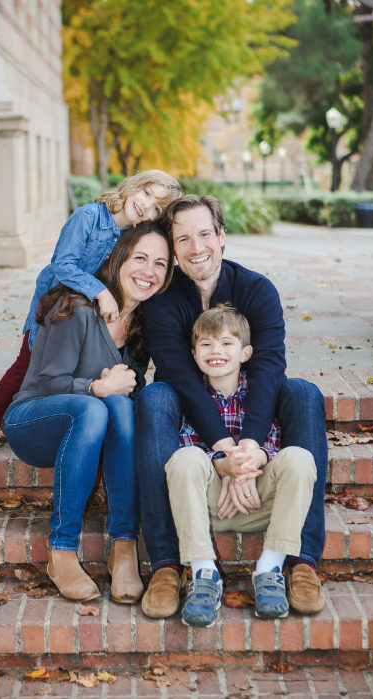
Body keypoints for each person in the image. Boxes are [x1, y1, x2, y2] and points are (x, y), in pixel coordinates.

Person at [136, 194, 327, 619]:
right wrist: (223, 450)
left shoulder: (256, 289)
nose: (196, 246)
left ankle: (302, 563)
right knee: (154, 396)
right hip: (197, 433)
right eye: (182, 238)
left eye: (204, 234)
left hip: (253, 430)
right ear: (172, 245)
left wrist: (252, 448)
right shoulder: (164, 301)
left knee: (303, 392)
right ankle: (168, 564)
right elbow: (180, 376)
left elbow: (268, 369)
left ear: (221, 237)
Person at [4, 222, 174, 603]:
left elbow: (127, 392)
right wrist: (97, 388)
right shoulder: (76, 306)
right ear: (119, 259)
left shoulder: (142, 326)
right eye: (141, 258)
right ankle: (61, 550)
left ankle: (124, 547)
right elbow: (48, 383)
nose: (149, 271)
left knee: (118, 406)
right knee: (95, 407)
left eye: (160, 264)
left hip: (90, 434)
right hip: (34, 422)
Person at [0, 170, 182, 451]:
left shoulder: (129, 235)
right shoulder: (88, 216)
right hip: (53, 302)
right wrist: (100, 292)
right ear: (134, 185)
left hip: (83, 307)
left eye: (156, 207)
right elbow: (63, 264)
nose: (146, 204)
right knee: (28, 358)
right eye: (146, 193)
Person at [166, 304, 317, 626]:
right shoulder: (190, 397)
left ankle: (270, 567)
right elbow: (187, 444)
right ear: (194, 354)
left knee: (299, 458)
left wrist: (251, 462)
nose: (215, 351)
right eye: (206, 344)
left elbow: (273, 441)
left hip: (259, 504)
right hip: (208, 508)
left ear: (246, 352)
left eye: (226, 343)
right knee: (185, 458)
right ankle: (204, 571)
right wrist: (225, 467)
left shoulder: (261, 393)